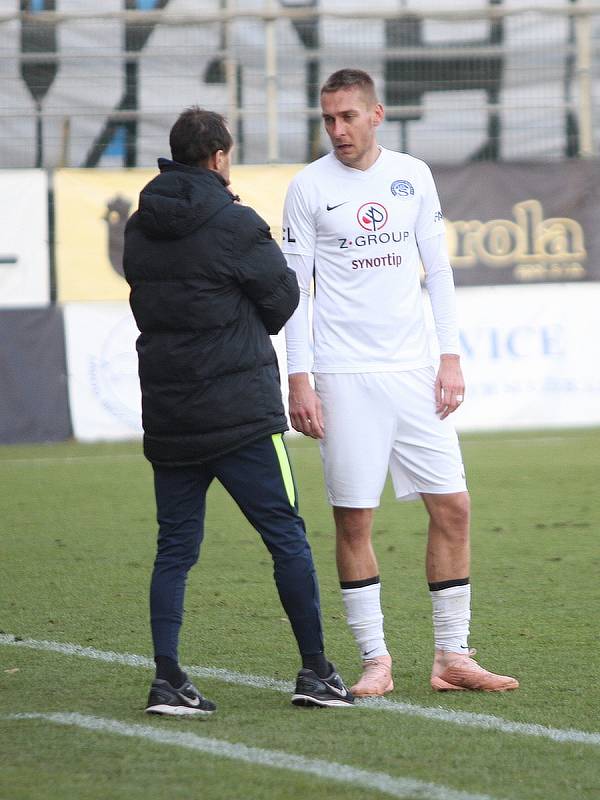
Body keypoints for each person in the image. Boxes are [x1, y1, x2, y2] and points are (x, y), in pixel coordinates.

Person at [282, 69, 519, 695]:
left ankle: (451, 658)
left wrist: (450, 357)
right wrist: (298, 377)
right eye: (327, 118)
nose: (337, 130)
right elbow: (296, 294)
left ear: (376, 113)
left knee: (454, 507)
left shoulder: (413, 174)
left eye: (347, 117)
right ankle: (376, 660)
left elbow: (436, 270)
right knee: (354, 520)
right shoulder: (307, 188)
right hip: (343, 375)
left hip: (416, 373)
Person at [123, 106, 353, 714]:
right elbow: (281, 303)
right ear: (221, 156)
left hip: (170, 413)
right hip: (241, 414)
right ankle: (317, 672)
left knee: (174, 548)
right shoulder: (236, 222)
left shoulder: (138, 227)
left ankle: (167, 677)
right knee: (287, 540)